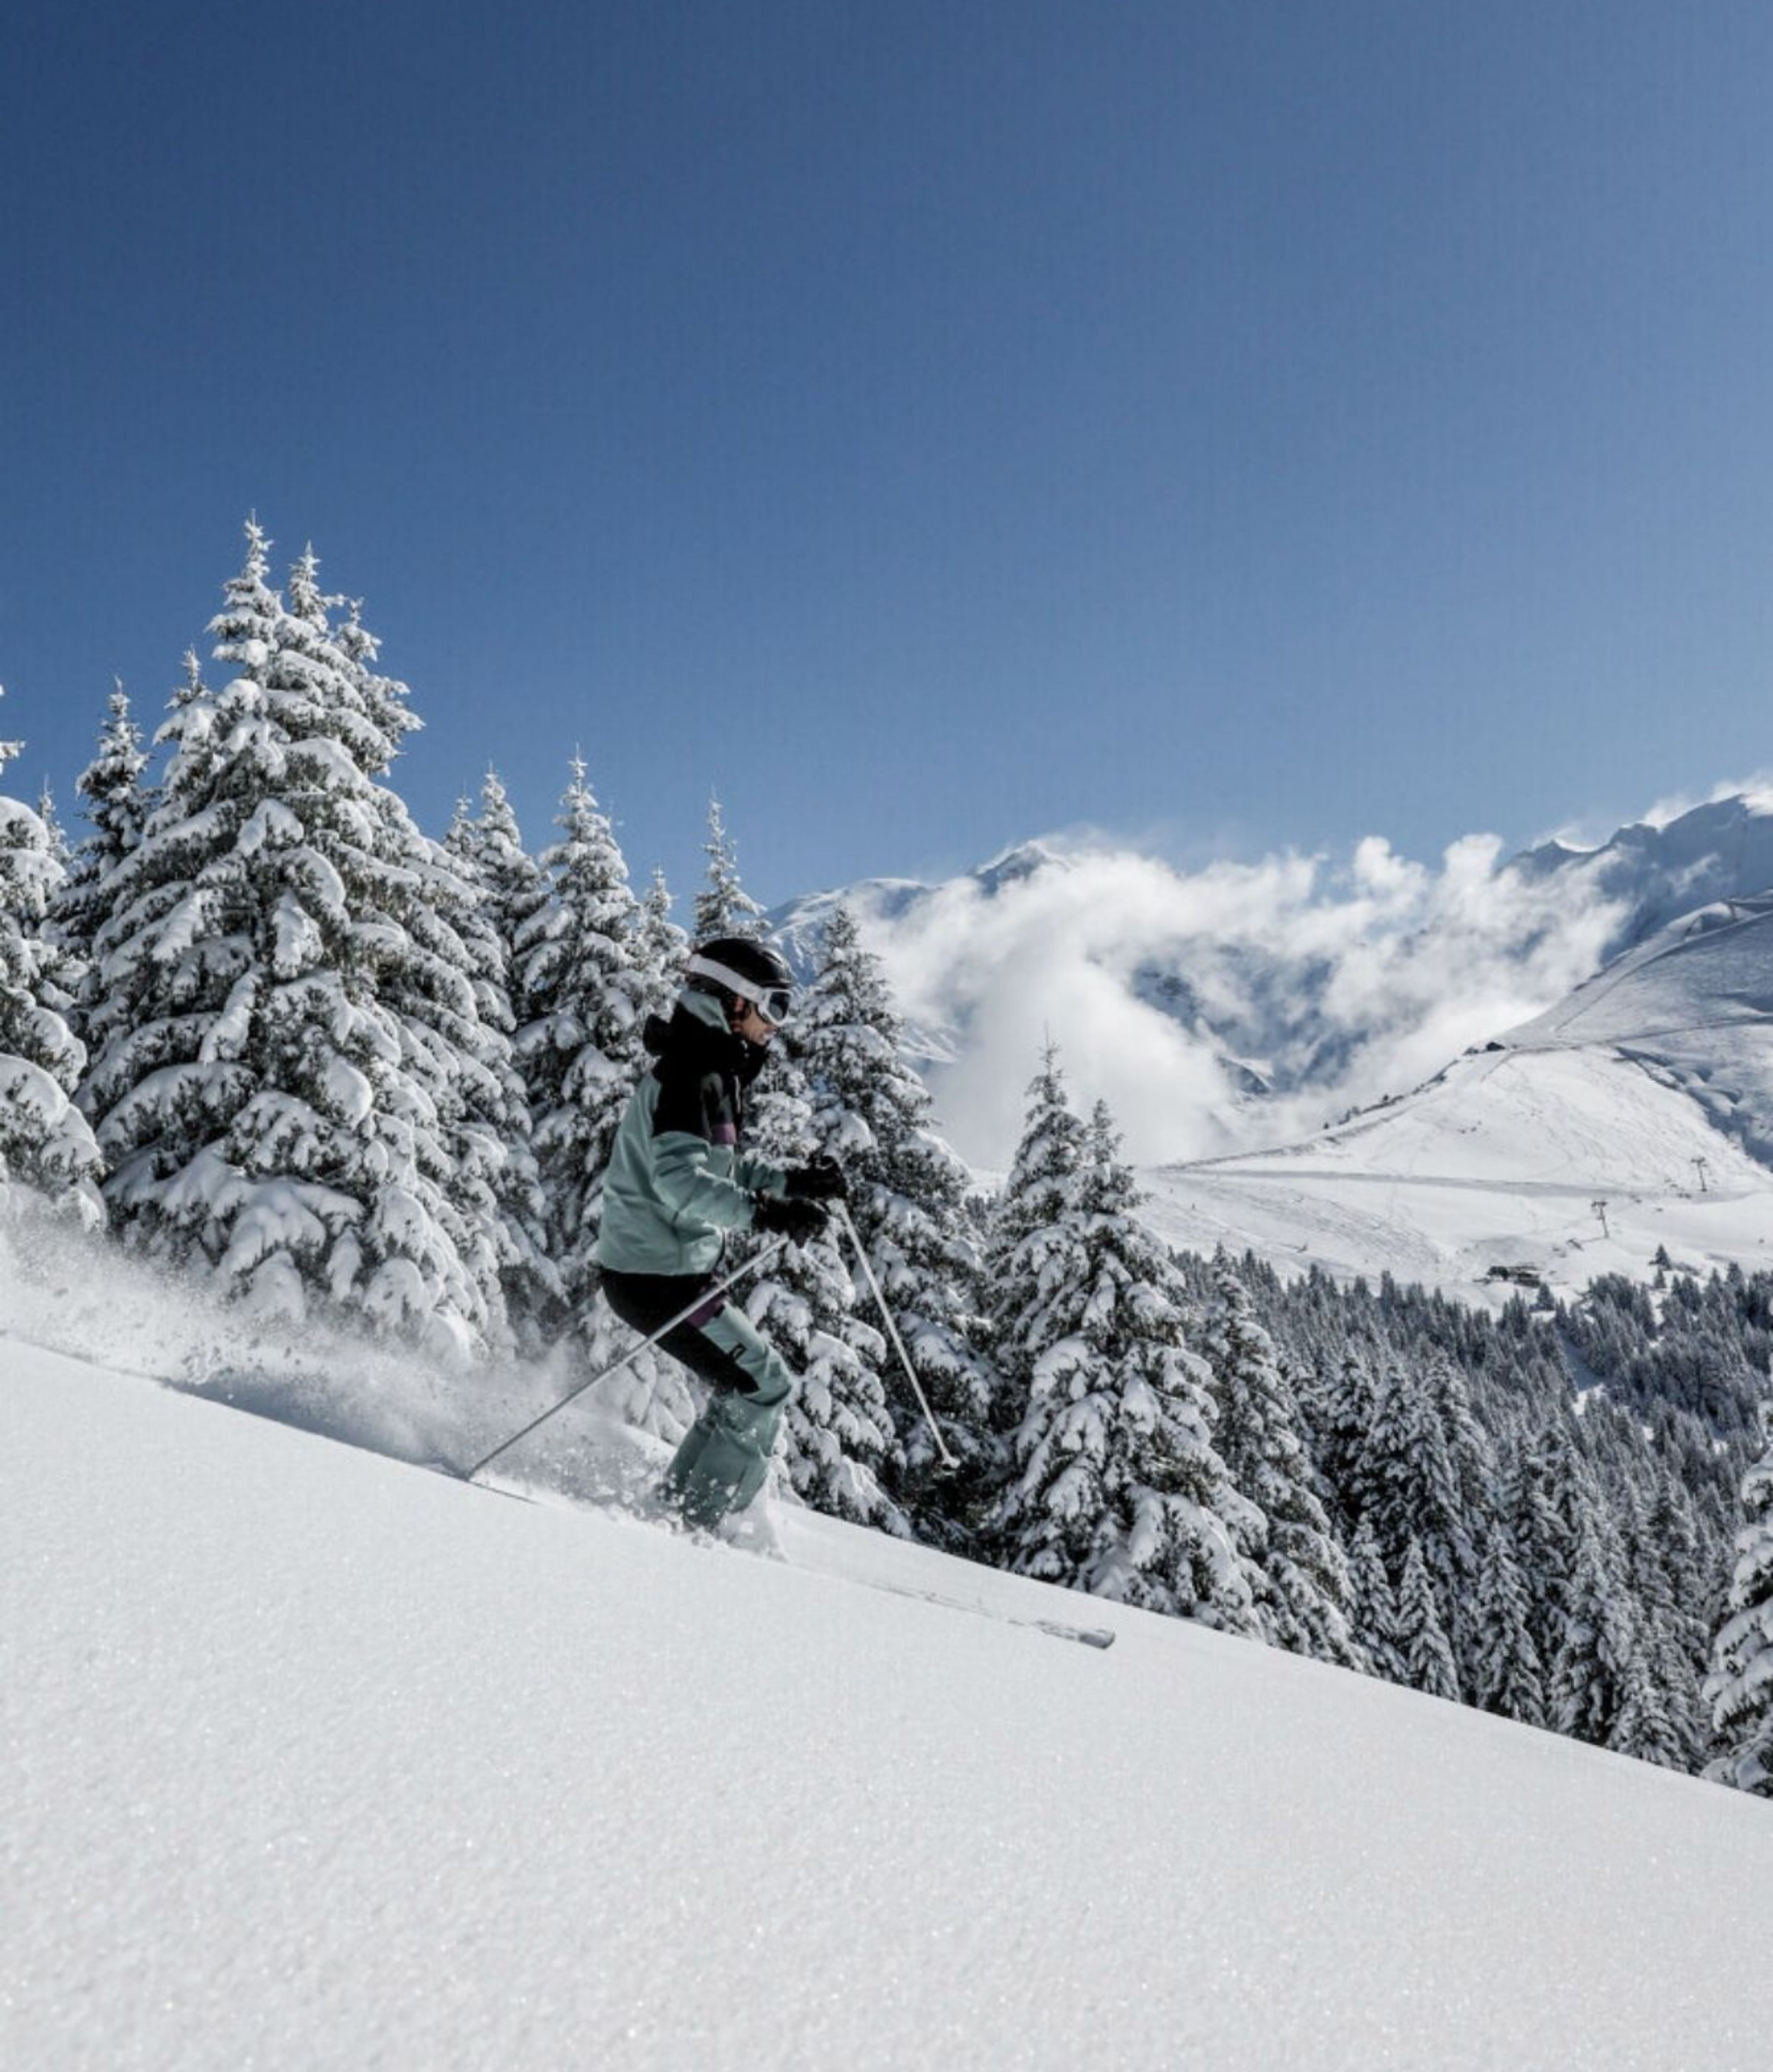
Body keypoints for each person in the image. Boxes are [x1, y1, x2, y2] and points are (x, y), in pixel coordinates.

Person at [596, 937, 847, 1530]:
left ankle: (683, 1514)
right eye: (774, 1006)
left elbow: (719, 1168)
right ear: (735, 1001)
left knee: (748, 1386)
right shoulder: (691, 1073)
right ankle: (706, 1527)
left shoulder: (710, 1068)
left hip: (670, 1271)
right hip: (654, 1277)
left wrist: (792, 1183)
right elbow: (679, 1183)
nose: (777, 1024)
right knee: (763, 1384)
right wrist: (764, 1214)